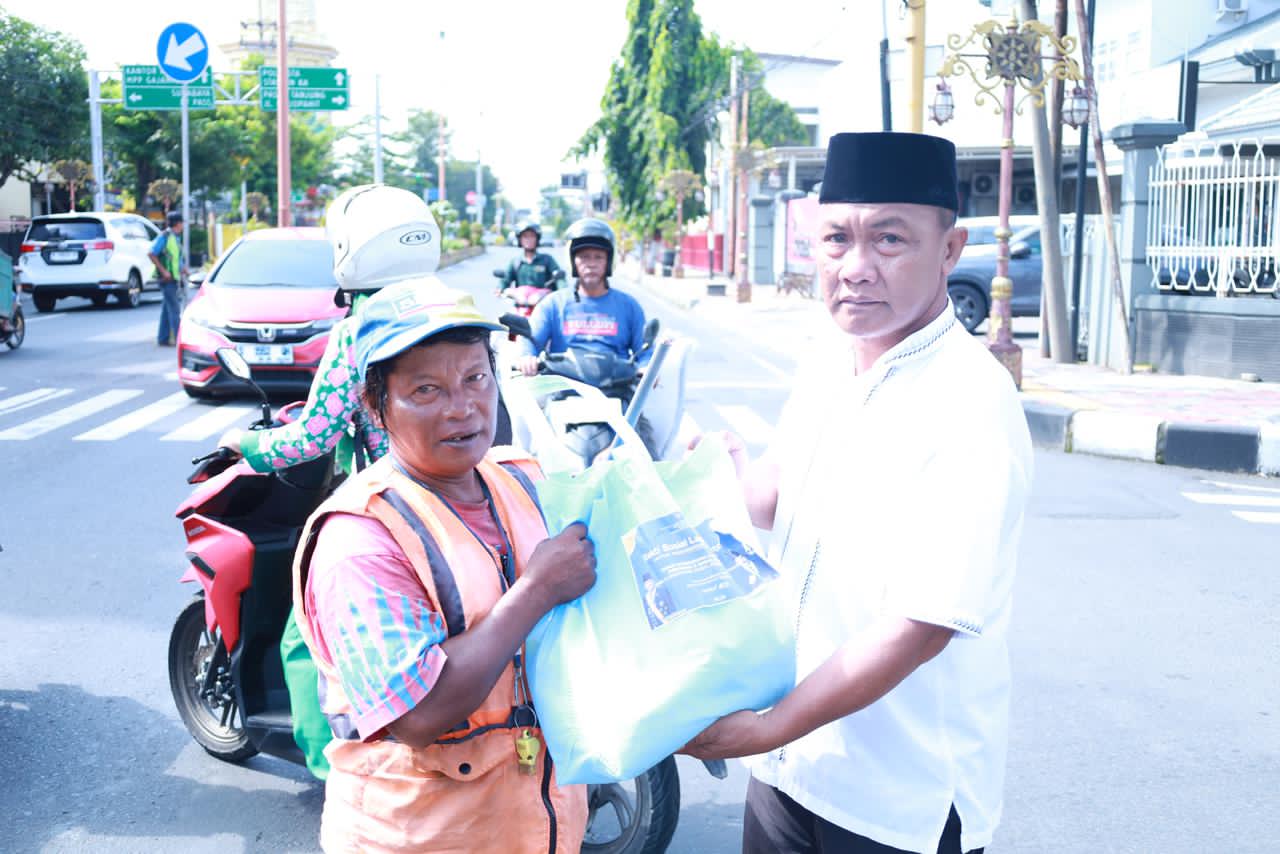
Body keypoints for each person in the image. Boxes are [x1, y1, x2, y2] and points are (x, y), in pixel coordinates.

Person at [682, 132, 1034, 854]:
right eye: (837, 239)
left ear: (950, 248)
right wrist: (712, 482)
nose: (855, 268)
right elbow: (778, 492)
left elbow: (922, 624)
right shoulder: (829, 360)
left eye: (889, 239)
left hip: (896, 798)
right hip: (792, 770)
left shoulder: (968, 400)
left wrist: (767, 727)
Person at [291, 279, 594, 852]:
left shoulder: (522, 479)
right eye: (426, 389)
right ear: (376, 406)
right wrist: (537, 590)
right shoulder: (360, 538)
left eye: (476, 378)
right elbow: (419, 713)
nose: (462, 407)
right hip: (415, 837)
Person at [148, 210, 186, 346]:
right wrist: (164, 271)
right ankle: (180, 340)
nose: (183, 225)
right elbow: (151, 253)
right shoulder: (164, 236)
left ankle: (163, 338)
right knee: (175, 310)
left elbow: (174, 258)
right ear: (177, 223)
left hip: (173, 278)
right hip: (166, 280)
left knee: (166, 310)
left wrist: (183, 269)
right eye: (182, 223)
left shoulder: (175, 238)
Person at [501, 220, 563, 289]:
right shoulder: (515, 262)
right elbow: (505, 280)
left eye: (532, 236)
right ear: (519, 239)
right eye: (525, 236)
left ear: (537, 238)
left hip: (544, 295)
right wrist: (500, 288)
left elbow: (560, 278)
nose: (529, 240)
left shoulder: (547, 260)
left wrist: (563, 289)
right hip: (521, 295)